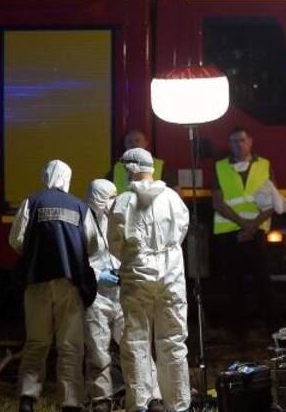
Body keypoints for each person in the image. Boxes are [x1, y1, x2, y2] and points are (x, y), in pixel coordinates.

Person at [9, 160, 99, 412]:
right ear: (67, 178)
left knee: (36, 343)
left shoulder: (32, 202)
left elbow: (16, 239)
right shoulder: (80, 206)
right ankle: (70, 401)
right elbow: (93, 246)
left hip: (36, 281)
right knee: (70, 346)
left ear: (45, 176)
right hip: (70, 283)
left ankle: (27, 398)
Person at [109, 147, 190, 412]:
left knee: (136, 343)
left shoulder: (122, 202)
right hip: (172, 276)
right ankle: (178, 405)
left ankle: (141, 404)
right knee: (173, 342)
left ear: (130, 169)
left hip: (137, 277)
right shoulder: (172, 198)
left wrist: (136, 258)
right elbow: (182, 231)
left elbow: (114, 244)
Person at [211, 126, 275, 331]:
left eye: (241, 140)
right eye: (234, 141)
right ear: (229, 145)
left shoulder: (264, 165)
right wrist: (245, 225)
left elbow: (273, 200)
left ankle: (270, 327)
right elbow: (218, 203)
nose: (238, 145)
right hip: (230, 232)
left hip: (255, 232)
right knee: (233, 283)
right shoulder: (220, 167)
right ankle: (239, 331)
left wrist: (251, 227)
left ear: (250, 142)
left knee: (262, 280)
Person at [83, 179, 127, 412]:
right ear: (96, 197)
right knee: (98, 349)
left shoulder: (116, 219)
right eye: (108, 196)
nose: (113, 201)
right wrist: (98, 274)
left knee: (130, 343)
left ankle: (132, 391)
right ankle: (101, 398)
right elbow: (77, 259)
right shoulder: (83, 221)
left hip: (120, 292)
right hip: (97, 294)